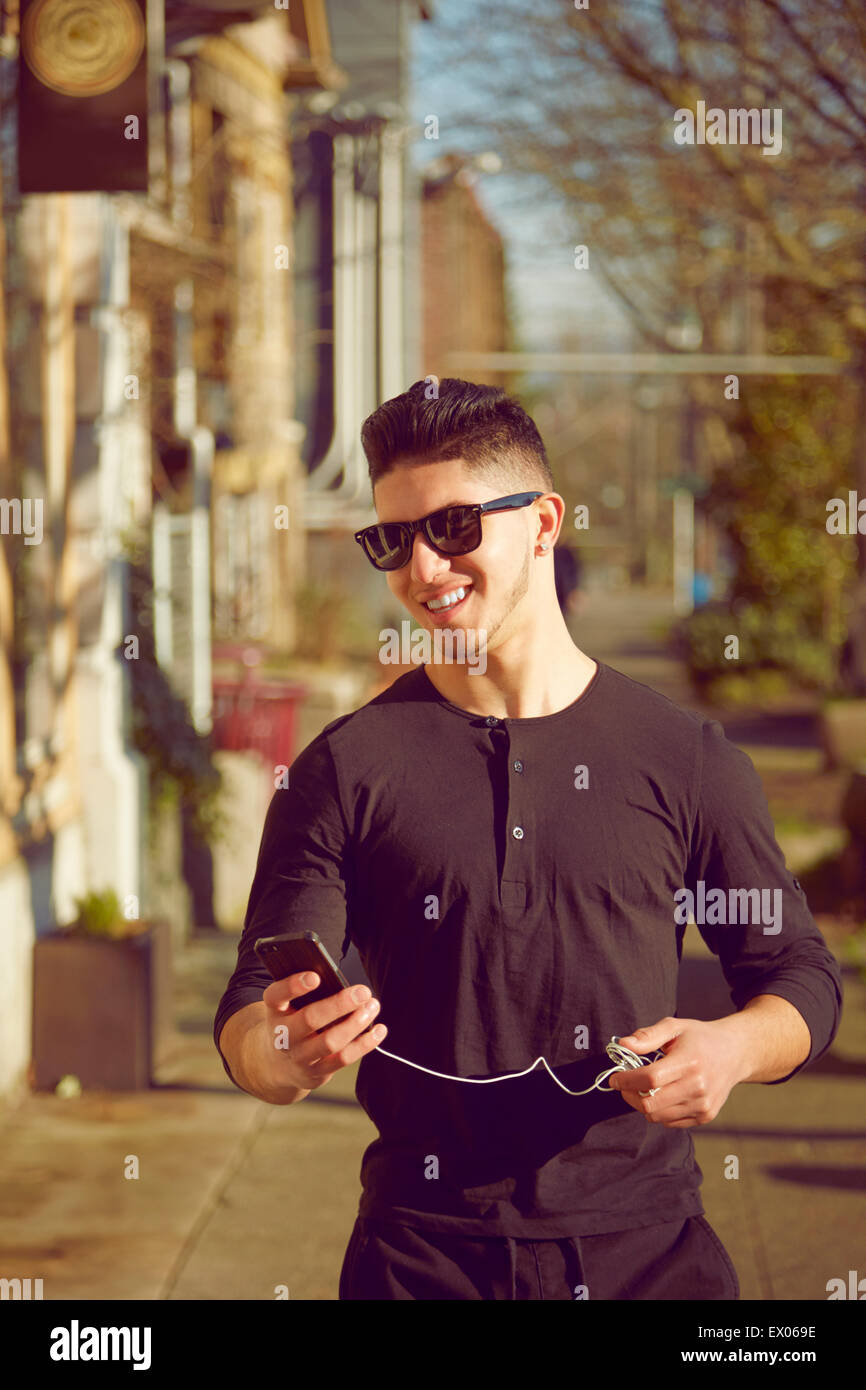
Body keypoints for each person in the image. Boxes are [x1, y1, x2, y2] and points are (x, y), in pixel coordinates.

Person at [214, 378, 842, 1301]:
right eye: (392, 540)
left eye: (456, 528)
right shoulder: (341, 771)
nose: (423, 569)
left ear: (543, 522)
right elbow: (249, 1018)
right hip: (420, 1257)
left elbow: (799, 975)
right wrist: (281, 1054)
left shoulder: (686, 759)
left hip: (648, 1253)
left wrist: (731, 1051)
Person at [553, 542, 584, 620]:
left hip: (562, 592)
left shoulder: (566, 552)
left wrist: (573, 590)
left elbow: (573, 573)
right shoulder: (553, 550)